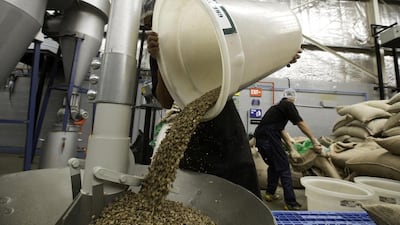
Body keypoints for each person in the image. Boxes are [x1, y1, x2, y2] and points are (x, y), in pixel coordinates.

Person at [254, 88, 322, 210]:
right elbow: (300, 123)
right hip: (269, 139)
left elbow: (280, 130)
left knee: (275, 166)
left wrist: (291, 148)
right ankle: (290, 203)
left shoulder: (278, 107)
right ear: (294, 98)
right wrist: (313, 139)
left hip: (262, 139)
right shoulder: (288, 105)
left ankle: (270, 194)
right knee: (284, 167)